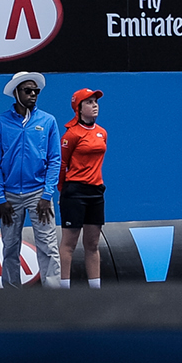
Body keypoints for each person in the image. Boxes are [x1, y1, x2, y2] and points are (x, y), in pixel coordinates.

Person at [0, 71, 63, 290]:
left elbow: (55, 159)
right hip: (10, 196)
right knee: (10, 246)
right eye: (28, 90)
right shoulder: (0, 122)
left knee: (48, 246)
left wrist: (46, 195)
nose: (33, 94)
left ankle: (54, 297)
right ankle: (12, 296)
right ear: (16, 93)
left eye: (36, 91)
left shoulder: (48, 121)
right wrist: (1, 198)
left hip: (38, 194)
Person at [59, 87, 108, 290]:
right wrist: (63, 192)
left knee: (93, 244)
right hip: (74, 192)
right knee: (69, 244)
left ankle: (95, 291)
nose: (94, 105)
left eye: (96, 102)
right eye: (89, 102)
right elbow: (62, 164)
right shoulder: (71, 135)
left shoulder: (102, 132)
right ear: (78, 108)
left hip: (96, 193)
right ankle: (64, 290)